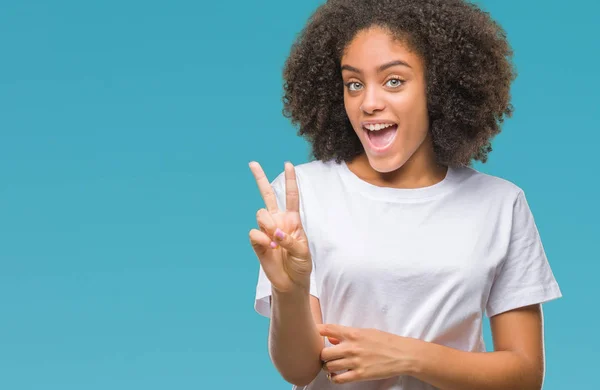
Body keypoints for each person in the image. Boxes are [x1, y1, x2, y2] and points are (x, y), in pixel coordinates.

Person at [248, 0, 562, 389]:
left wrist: (408, 355)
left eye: (393, 80)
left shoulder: (501, 204)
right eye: (354, 84)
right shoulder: (303, 194)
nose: (369, 102)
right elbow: (300, 370)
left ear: (439, 87)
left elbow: (525, 376)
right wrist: (290, 290)